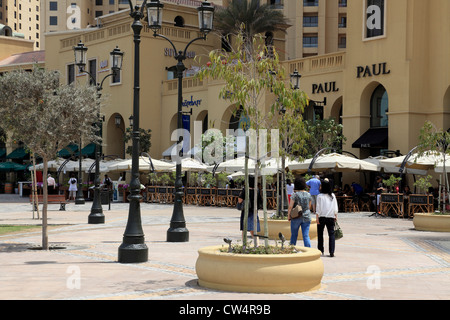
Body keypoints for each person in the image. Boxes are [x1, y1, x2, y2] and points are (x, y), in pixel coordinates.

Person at [316, 180, 338, 257]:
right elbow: (335, 206)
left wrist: (317, 217)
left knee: (320, 234)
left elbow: (318, 208)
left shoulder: (320, 196)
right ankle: (331, 251)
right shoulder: (332, 195)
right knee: (331, 234)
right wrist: (335, 215)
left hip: (322, 217)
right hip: (331, 217)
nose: (319, 187)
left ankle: (320, 250)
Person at [287, 177, 312, 247]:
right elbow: (309, 207)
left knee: (294, 235)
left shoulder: (295, 195)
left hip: (296, 217)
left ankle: (292, 249)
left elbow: (290, 206)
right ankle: (308, 250)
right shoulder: (308, 194)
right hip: (306, 217)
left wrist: (289, 215)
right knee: (306, 236)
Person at [238, 176, 262, 243]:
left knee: (244, 229)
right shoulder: (257, 190)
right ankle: (257, 244)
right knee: (254, 230)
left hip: (246, 211)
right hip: (254, 211)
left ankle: (244, 244)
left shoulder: (245, 190)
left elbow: (240, 200)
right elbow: (260, 201)